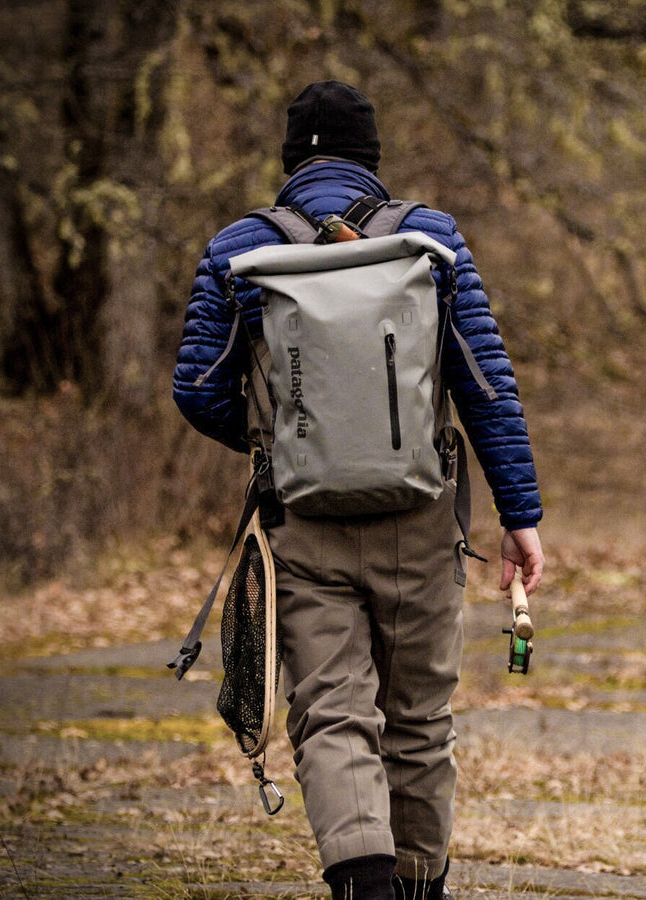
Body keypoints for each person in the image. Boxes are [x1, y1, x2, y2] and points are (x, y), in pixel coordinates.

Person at [172, 81, 545, 900]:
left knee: (333, 714)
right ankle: (417, 888)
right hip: (420, 515)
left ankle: (363, 887)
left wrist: (282, 441)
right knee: (417, 720)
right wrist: (522, 518)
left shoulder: (240, 248)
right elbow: (485, 385)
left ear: (286, 163)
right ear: (374, 161)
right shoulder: (429, 239)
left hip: (303, 526)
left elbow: (198, 386)